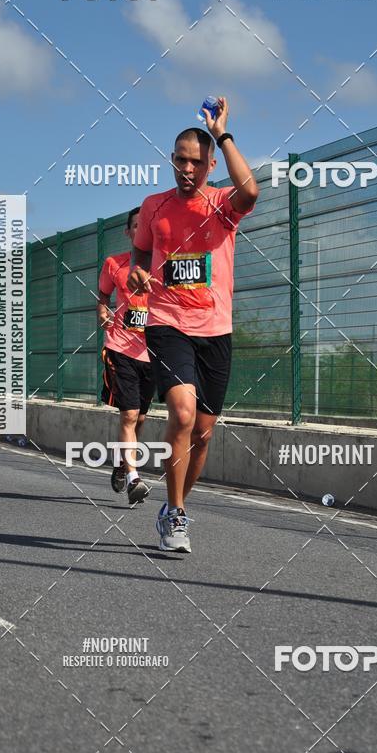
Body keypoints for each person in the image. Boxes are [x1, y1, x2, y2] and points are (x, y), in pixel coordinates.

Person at [128, 97, 258, 552]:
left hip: (215, 328)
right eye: (180, 160)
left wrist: (222, 134)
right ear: (171, 159)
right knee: (182, 414)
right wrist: (137, 270)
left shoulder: (222, 203)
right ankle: (176, 514)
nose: (187, 169)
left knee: (202, 433)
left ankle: (173, 503)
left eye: (196, 162)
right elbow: (142, 251)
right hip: (167, 321)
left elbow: (251, 192)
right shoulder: (154, 206)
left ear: (211, 165)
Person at [97, 207, 155, 505]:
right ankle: (133, 478)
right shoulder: (114, 264)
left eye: (147, 225)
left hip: (154, 353)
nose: (141, 230)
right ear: (129, 232)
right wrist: (102, 311)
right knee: (129, 414)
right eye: (136, 225)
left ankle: (122, 463)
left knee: (141, 417)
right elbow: (103, 296)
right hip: (120, 348)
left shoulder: (165, 266)